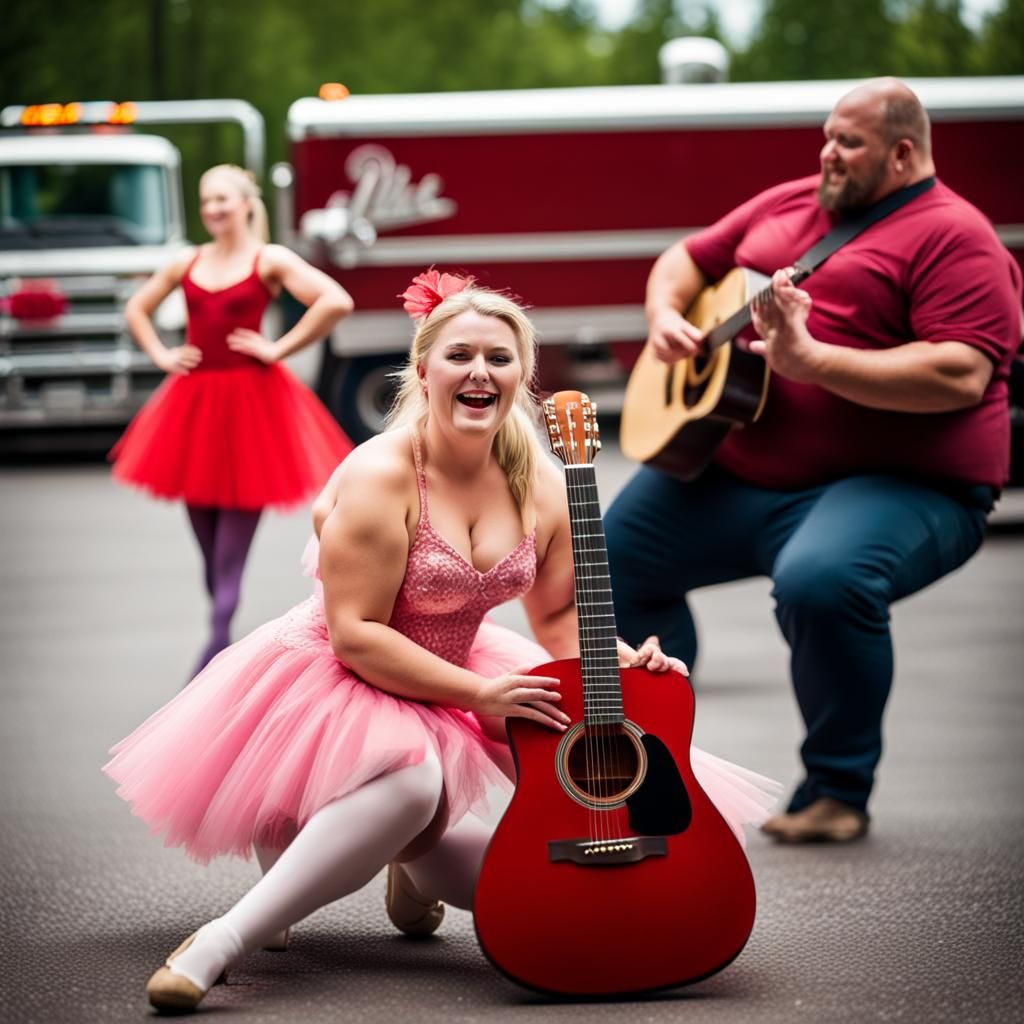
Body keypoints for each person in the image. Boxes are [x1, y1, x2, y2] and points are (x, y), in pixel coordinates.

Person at [103, 271, 780, 1013]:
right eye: (460, 355)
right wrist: (478, 696)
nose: (480, 372)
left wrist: (625, 660)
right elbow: (355, 634)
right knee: (412, 783)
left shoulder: (542, 482)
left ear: (523, 374)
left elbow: (558, 625)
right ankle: (223, 938)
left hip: (462, 665)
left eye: (499, 357)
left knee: (542, 878)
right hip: (342, 670)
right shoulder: (381, 474)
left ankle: (406, 852)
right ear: (422, 370)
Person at [606, 77, 1023, 844]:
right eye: (827, 135)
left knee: (823, 581)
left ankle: (836, 789)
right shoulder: (789, 202)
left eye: (849, 142)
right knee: (609, 559)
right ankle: (660, 760)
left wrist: (816, 363)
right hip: (740, 471)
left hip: (905, 486)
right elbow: (686, 260)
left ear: (903, 154)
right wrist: (665, 316)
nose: (828, 152)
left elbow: (963, 373)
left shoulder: (957, 239)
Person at [109, 164, 355, 676]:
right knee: (207, 550)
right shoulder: (188, 260)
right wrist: (161, 354)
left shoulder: (270, 259)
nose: (213, 209)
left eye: (222, 198)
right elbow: (137, 308)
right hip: (192, 406)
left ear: (246, 202)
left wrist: (278, 347)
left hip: (252, 408)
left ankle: (215, 647)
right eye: (206, 201)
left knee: (229, 557)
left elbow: (336, 301)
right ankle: (220, 619)